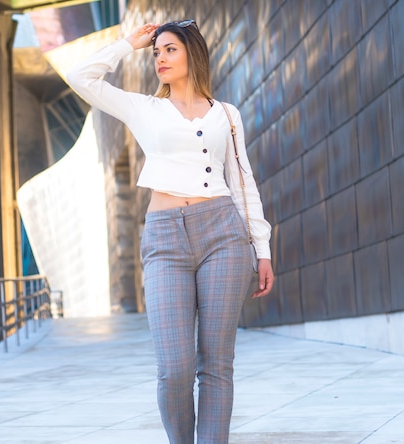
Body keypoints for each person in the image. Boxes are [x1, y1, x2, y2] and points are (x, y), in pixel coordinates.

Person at [66, 19, 274, 444]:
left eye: (170, 49)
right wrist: (128, 43)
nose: (160, 57)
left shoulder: (226, 114)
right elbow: (79, 76)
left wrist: (262, 246)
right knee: (175, 367)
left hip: (223, 235)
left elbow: (242, 181)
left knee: (217, 363)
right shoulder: (144, 108)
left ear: (192, 53)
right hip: (164, 240)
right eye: (157, 51)